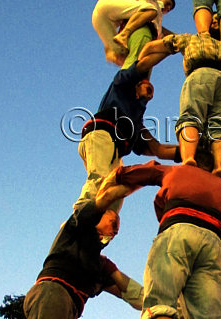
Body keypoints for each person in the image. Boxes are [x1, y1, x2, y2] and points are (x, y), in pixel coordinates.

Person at [100, 150, 221, 319]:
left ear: (192, 162)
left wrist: (119, 175)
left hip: (178, 231)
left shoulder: (179, 172)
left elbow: (149, 171)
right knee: (210, 317)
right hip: (213, 243)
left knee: (160, 300)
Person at [76, 41, 181, 214]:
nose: (150, 94)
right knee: (99, 180)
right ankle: (82, 215)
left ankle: (103, 229)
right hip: (101, 135)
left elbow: (159, 150)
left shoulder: (135, 123)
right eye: (148, 88)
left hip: (114, 148)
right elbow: (143, 65)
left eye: (152, 93)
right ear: (137, 85)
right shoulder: (121, 86)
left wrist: (190, 153)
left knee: (115, 192)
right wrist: (173, 46)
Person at [23, 179, 143, 319]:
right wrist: (137, 180)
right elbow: (104, 199)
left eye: (117, 230)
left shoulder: (97, 265)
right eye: (113, 222)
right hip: (54, 293)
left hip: (71, 309)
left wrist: (159, 305)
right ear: (99, 216)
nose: (116, 230)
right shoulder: (77, 227)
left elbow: (128, 293)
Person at [137, 32, 221, 178]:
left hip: (201, 72)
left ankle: (189, 159)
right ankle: (219, 167)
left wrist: (140, 69)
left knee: (191, 117)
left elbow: (153, 46)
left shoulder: (194, 39)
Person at [92, 0, 176, 66]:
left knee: (120, 53)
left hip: (102, 18)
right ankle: (124, 34)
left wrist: (179, 37)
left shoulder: (139, 9)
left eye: (169, 9)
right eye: (167, 3)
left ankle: (115, 53)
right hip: (109, 3)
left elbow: (159, 28)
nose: (167, 8)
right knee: (150, 10)